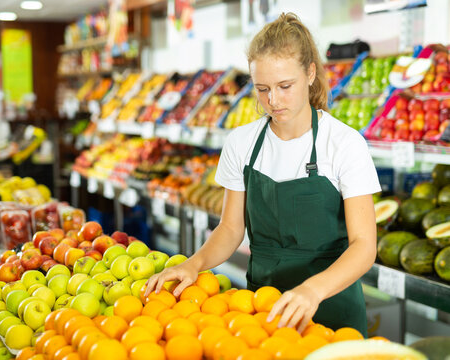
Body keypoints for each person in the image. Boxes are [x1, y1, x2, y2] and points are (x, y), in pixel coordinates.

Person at [145, 12, 380, 336]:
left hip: (332, 307)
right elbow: (230, 229)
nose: (273, 100)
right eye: (262, 89)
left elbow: (364, 245)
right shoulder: (242, 143)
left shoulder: (343, 143)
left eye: (285, 86)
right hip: (260, 309)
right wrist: (193, 263)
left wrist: (313, 290)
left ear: (310, 73)